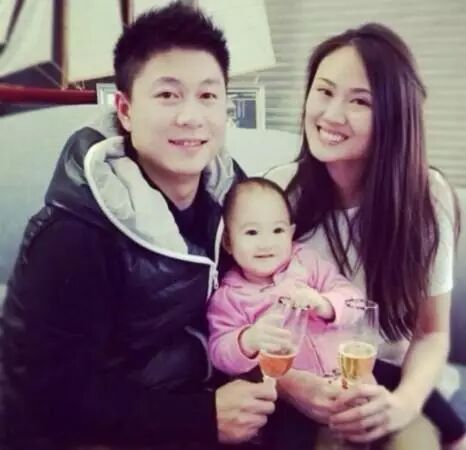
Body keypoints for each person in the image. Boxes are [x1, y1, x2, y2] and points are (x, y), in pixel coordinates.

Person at [0, 3, 277, 449]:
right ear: (125, 110)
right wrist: (202, 417)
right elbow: (51, 396)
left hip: (192, 402)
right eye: (168, 95)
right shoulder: (72, 235)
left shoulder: (233, 201)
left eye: (208, 96)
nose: (191, 116)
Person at [267, 22, 465, 450]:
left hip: (388, 384)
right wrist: (291, 385)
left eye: (360, 101)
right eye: (324, 91)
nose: (331, 114)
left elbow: (432, 333)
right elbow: (248, 317)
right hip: (302, 386)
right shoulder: (278, 194)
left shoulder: (428, 198)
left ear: (394, 117)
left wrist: (404, 405)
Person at [207, 177, 363, 378]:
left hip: (345, 375)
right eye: (252, 232)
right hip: (286, 390)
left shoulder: (306, 262)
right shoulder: (229, 297)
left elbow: (355, 302)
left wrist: (324, 304)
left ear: (290, 233)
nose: (266, 243)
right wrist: (248, 340)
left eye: (278, 230)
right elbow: (218, 352)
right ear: (228, 242)